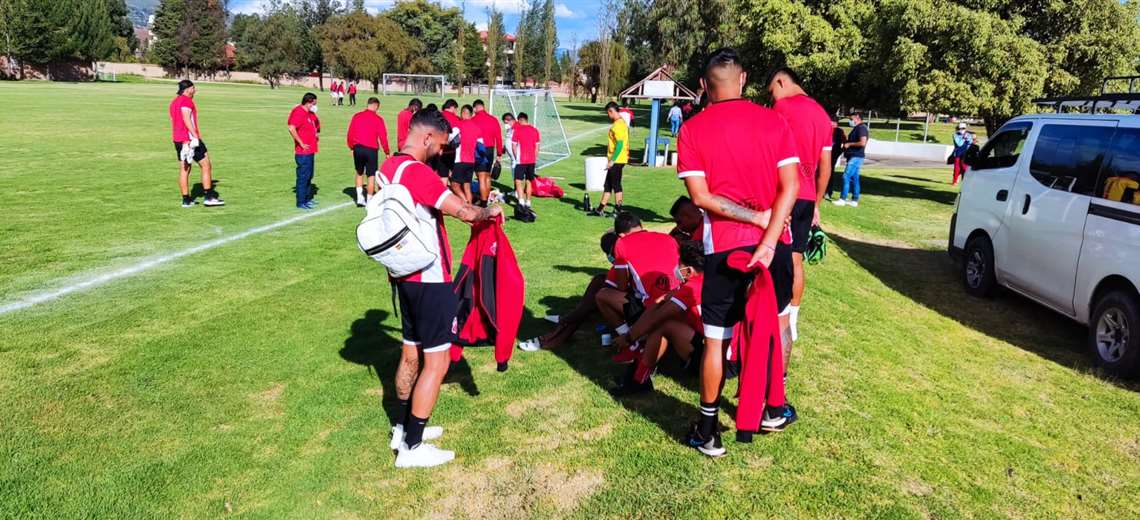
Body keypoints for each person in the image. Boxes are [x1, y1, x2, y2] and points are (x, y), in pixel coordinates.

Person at [676, 48, 799, 457]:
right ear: (743, 79)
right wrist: (767, 231)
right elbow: (792, 187)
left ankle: (708, 428)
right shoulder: (774, 120)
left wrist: (755, 220)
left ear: (703, 86)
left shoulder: (692, 129)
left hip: (725, 247)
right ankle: (772, 408)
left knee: (716, 340)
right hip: (774, 247)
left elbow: (701, 198)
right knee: (776, 324)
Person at [383, 108, 504, 468]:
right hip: (429, 276)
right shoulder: (420, 174)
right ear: (425, 138)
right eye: (438, 144)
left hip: (403, 275)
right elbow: (464, 212)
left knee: (411, 353)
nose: (441, 151)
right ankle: (413, 447)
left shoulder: (389, 165)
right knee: (436, 361)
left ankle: (402, 428)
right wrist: (491, 209)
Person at [768, 66, 833, 346]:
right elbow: (826, 166)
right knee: (796, 258)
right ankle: (791, 320)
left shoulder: (782, 109)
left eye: (772, 91)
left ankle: (775, 315)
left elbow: (769, 151)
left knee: (774, 254)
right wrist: (817, 202)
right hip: (807, 197)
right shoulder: (822, 114)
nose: (772, 98)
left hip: (784, 192)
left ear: (781, 81)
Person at [610, 240, 706, 396]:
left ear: (688, 270)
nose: (676, 268)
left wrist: (629, 338)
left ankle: (639, 381)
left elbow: (658, 317)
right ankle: (638, 372)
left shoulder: (692, 287)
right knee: (661, 319)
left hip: (713, 356)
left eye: (679, 264)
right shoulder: (704, 281)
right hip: (716, 349)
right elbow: (658, 304)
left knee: (663, 325)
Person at [595, 212, 681, 365]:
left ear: (620, 235)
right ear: (640, 226)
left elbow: (621, 287)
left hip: (652, 307)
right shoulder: (668, 238)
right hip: (678, 301)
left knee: (603, 296)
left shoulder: (622, 244)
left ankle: (632, 343)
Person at [169, 79, 223, 207]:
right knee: (206, 165)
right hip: (189, 139)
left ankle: (186, 200)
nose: (195, 90)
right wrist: (195, 136)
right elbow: (186, 118)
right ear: (187, 89)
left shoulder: (174, 102)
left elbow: (173, 119)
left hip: (178, 139)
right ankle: (209, 197)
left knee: (184, 169)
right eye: (193, 88)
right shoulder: (187, 101)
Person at [346, 97, 391, 206]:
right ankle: (370, 201)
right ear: (375, 106)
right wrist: (387, 151)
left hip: (358, 148)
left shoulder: (357, 116)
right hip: (371, 149)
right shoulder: (378, 119)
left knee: (359, 172)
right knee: (371, 175)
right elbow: (383, 137)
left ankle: (360, 198)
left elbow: (350, 133)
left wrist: (351, 147)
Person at [589, 102, 629, 217]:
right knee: (608, 185)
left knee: (616, 185)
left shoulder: (618, 126)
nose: (608, 115)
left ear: (611, 111)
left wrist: (612, 160)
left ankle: (617, 210)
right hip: (616, 159)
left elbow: (620, 145)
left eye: (608, 113)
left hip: (617, 160)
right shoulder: (620, 123)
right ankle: (600, 209)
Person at [287, 92, 321, 210]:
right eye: (314, 103)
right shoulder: (299, 113)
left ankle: (307, 199)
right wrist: (301, 142)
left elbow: (317, 124)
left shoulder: (309, 113)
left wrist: (316, 133)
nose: (315, 106)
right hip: (303, 152)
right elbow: (291, 127)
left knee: (309, 176)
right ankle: (301, 202)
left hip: (311, 150)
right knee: (303, 177)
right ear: (309, 102)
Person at [472, 99, 504, 203]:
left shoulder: (473, 120)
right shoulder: (493, 119)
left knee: (481, 177)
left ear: (475, 108)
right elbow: (499, 137)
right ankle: (488, 197)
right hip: (490, 150)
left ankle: (483, 201)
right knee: (487, 176)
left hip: (478, 149)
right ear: (484, 106)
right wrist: (499, 153)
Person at [450, 105, 482, 203]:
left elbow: (449, 138)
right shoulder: (477, 128)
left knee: (454, 185)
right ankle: (470, 206)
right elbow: (481, 145)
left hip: (460, 160)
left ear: (463, 113)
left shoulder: (459, 125)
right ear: (471, 114)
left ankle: (466, 203)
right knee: (467, 186)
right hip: (471, 160)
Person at [510, 112, 540, 217]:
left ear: (520, 120)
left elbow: (513, 146)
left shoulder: (517, 130)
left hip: (521, 161)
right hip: (531, 161)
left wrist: (515, 157)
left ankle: (521, 201)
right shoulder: (535, 130)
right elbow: (537, 148)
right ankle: (528, 202)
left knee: (518, 181)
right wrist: (534, 159)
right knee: (529, 181)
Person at [835, 112, 868, 207]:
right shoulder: (857, 128)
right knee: (855, 178)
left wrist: (849, 144)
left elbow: (862, 143)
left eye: (851, 118)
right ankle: (854, 200)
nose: (850, 121)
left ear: (857, 117)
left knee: (846, 176)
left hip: (856, 156)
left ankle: (842, 199)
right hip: (853, 156)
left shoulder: (861, 128)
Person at [825, 117, 845, 200]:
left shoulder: (839, 131)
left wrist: (840, 152)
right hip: (824, 154)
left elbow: (845, 142)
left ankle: (828, 191)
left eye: (832, 122)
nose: (830, 123)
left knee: (830, 173)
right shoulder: (826, 129)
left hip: (833, 155)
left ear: (836, 123)